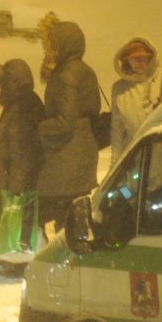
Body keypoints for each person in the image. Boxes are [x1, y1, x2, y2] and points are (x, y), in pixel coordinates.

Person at [35, 19, 102, 233]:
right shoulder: (83, 70)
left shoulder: (66, 75)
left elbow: (64, 122)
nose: (48, 50)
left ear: (64, 44)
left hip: (66, 157)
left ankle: (55, 261)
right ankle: (73, 260)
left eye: (52, 45)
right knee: (74, 216)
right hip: (81, 154)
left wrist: (38, 128)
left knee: (51, 214)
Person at [0, 59, 45, 272]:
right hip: (16, 174)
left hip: (20, 176)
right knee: (24, 220)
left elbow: (23, 148)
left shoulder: (23, 105)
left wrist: (17, 182)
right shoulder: (20, 102)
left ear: (13, 82)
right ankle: (22, 259)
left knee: (24, 219)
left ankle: (24, 262)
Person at [109, 37, 162, 164]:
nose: (140, 62)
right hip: (138, 159)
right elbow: (117, 130)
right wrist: (115, 163)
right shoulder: (120, 90)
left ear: (151, 58)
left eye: (144, 57)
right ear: (126, 61)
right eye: (135, 58)